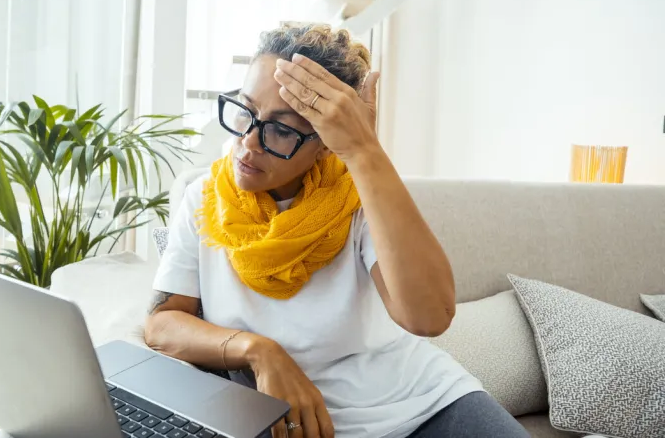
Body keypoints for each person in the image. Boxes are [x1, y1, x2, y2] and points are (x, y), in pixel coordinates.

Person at [145, 24, 530, 438]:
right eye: (246, 111)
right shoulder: (205, 198)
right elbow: (162, 323)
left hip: (426, 407)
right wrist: (258, 352)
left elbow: (430, 317)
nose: (250, 143)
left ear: (324, 142)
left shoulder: (358, 197)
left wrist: (364, 151)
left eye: (281, 128)